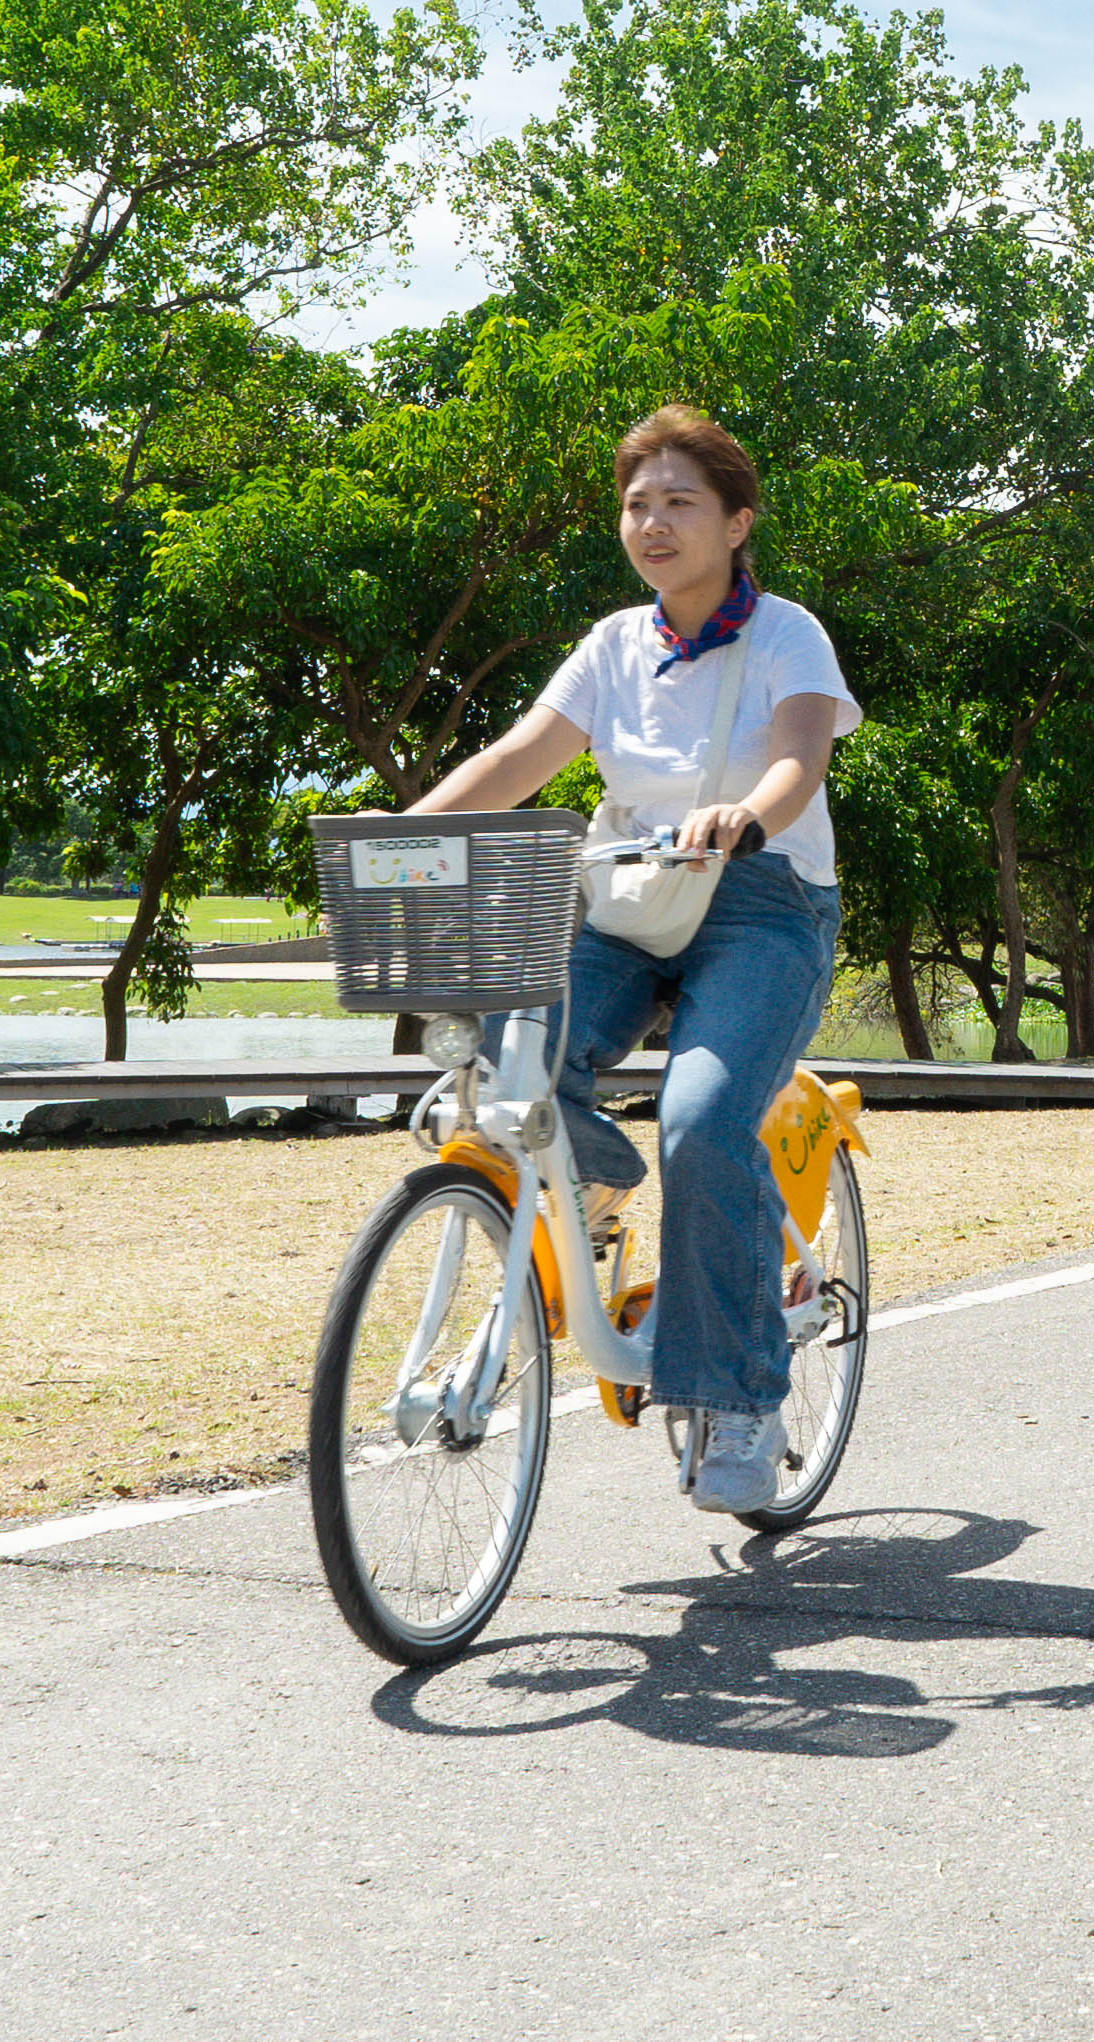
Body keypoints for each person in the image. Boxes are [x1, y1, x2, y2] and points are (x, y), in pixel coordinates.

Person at [406, 405, 860, 1514]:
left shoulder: (787, 634)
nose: (651, 523)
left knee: (706, 1120)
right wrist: (407, 830)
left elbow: (800, 755)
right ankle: (602, 1172)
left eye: (679, 503)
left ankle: (744, 1396)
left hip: (762, 898)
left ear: (737, 521)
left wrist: (744, 815)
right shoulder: (614, 644)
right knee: (514, 1067)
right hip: (630, 896)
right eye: (636, 503)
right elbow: (520, 755)